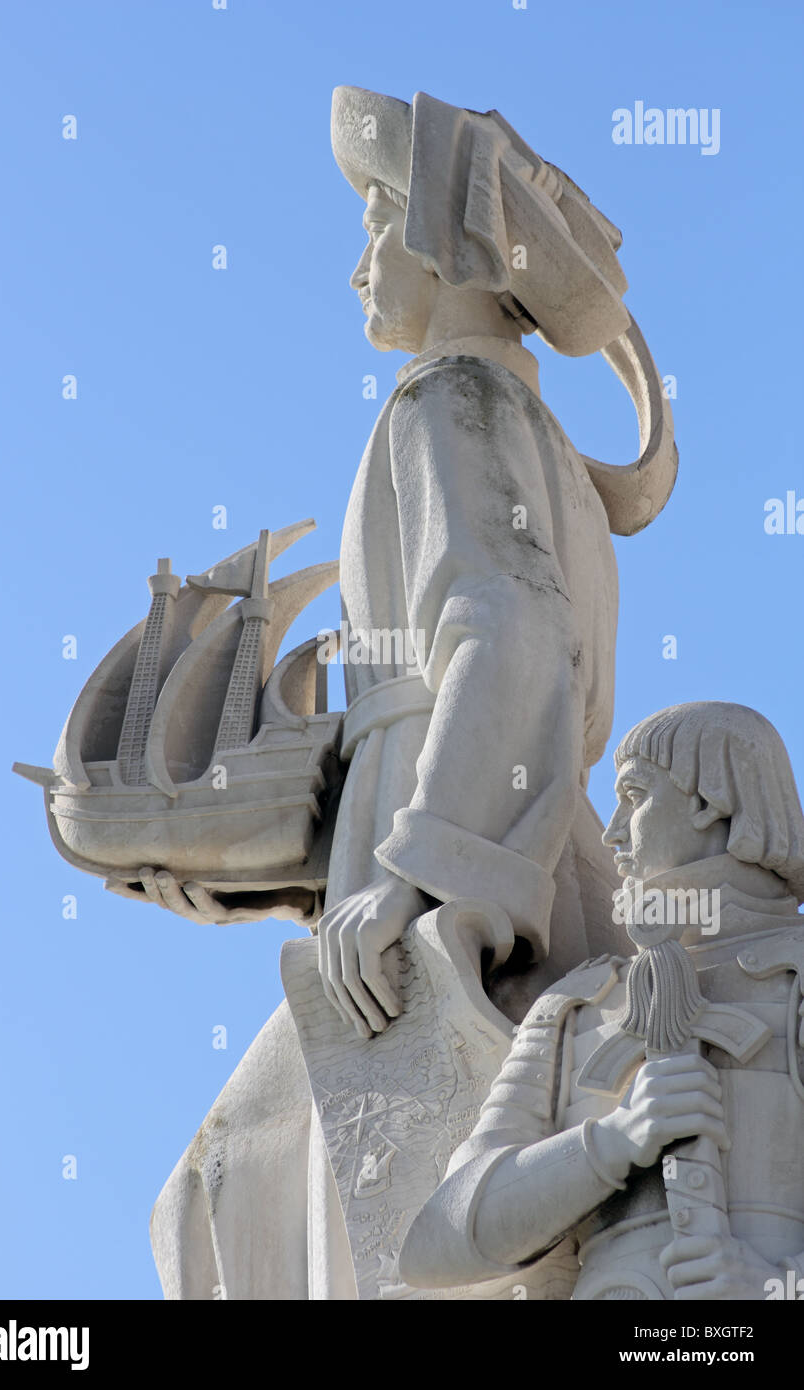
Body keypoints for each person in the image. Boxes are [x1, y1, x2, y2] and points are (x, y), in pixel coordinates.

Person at [148, 87, 676, 1300]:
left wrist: (414, 875)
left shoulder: (447, 398)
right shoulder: (528, 431)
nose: (355, 272)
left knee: (225, 1190)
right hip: (488, 827)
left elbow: (513, 634)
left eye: (373, 227)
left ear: (442, 239)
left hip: (454, 857)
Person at [400, 702, 804, 1301]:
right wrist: (615, 1139)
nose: (612, 831)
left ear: (707, 802)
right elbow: (439, 1245)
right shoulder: (575, 1007)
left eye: (635, 796)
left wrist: (779, 1285)